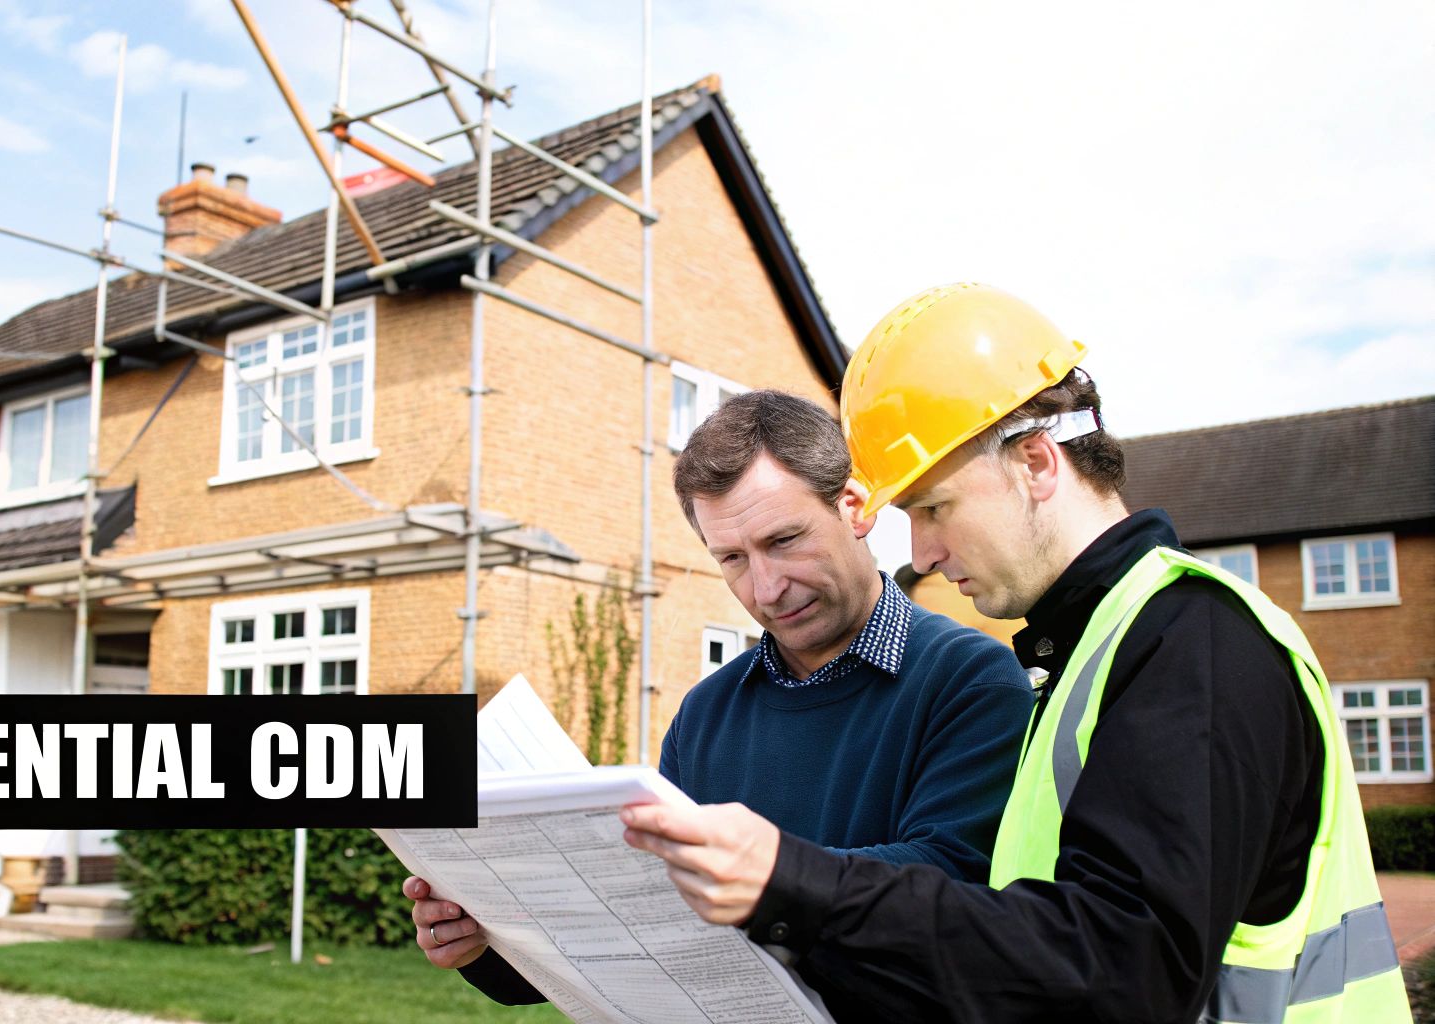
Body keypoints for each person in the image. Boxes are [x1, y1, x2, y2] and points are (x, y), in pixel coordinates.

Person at [619, 283, 1411, 1022]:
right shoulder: (1089, 655)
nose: (921, 552)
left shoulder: (1192, 641)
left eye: (933, 507)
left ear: (1035, 461)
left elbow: (1128, 966)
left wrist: (790, 881)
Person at [406, 389, 1035, 1005]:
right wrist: (489, 942)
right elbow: (641, 924)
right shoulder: (706, 714)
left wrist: (767, 878)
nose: (766, 588)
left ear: (854, 505)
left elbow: (956, 881)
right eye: (731, 558)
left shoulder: (970, 679)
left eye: (783, 540)